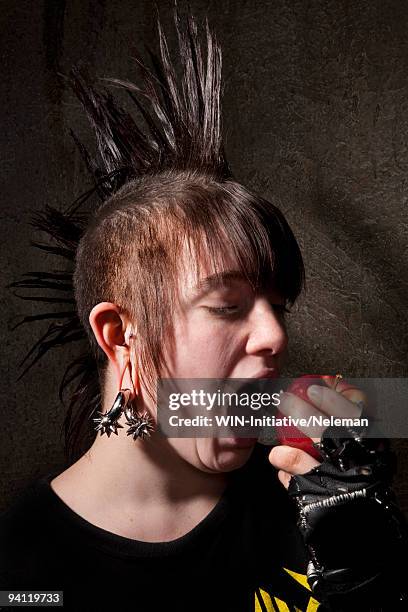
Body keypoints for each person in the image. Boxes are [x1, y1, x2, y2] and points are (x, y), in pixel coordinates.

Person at [1, 9, 406, 612]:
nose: (274, 335)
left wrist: (369, 576)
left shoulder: (310, 511)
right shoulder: (22, 569)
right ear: (120, 335)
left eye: (278, 305)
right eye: (226, 305)